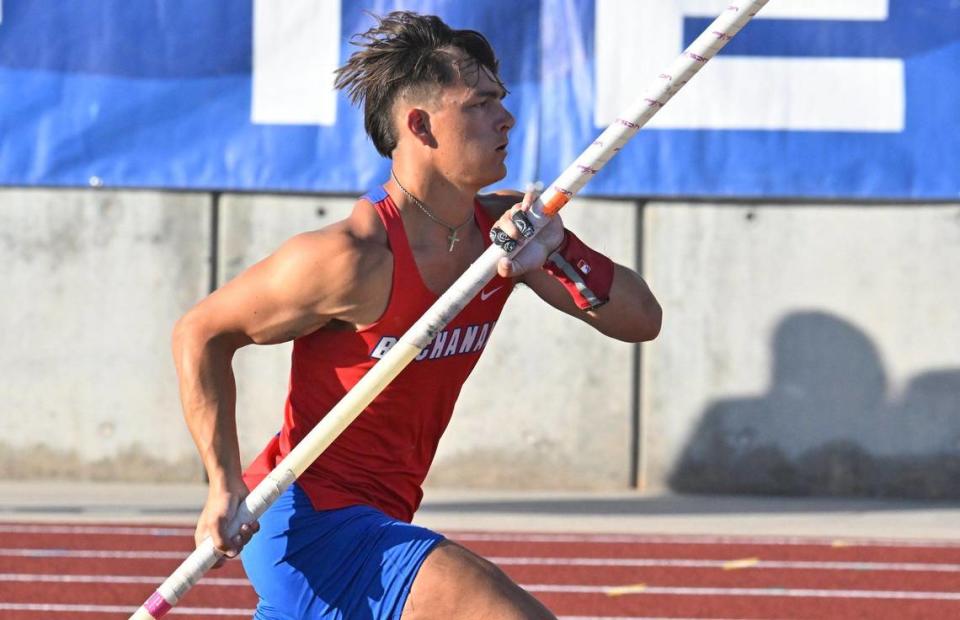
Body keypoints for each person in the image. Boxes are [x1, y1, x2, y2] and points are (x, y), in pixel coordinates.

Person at [172, 10, 662, 619]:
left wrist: (559, 253)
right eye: (481, 104)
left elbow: (642, 320)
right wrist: (222, 483)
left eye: (502, 101)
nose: (506, 118)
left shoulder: (504, 236)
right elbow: (201, 333)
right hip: (312, 520)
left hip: (386, 513)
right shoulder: (350, 258)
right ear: (420, 125)